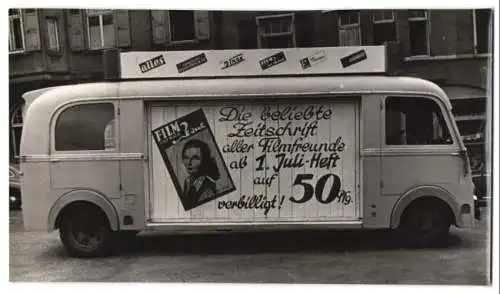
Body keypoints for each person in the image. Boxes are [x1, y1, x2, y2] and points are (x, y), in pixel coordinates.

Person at [181, 139, 220, 210]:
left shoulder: (209, 186)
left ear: (204, 160)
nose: (189, 162)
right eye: (186, 157)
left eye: (195, 158)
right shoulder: (187, 181)